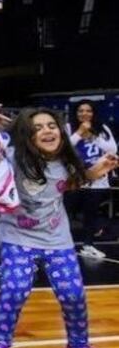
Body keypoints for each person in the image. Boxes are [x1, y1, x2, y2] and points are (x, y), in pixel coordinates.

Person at [0, 108, 118, 348]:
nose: (47, 130)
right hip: (16, 237)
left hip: (58, 240)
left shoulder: (66, 161)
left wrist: (98, 170)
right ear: (26, 136)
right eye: (38, 128)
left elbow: (70, 183)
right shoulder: (13, 158)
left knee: (73, 294)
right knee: (15, 289)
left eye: (51, 125)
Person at [68, 99, 117, 250]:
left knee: (91, 214)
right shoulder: (68, 127)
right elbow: (63, 148)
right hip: (74, 179)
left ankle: (88, 245)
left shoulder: (102, 128)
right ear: (76, 113)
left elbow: (112, 150)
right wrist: (79, 133)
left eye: (88, 111)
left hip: (97, 178)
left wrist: (92, 136)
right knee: (66, 212)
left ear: (93, 113)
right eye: (81, 111)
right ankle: (61, 245)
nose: (84, 114)